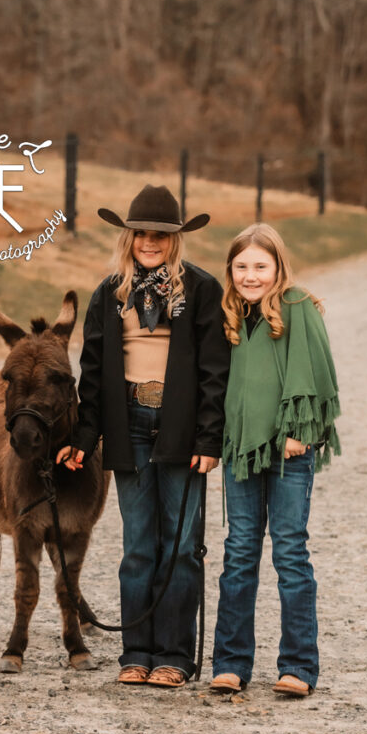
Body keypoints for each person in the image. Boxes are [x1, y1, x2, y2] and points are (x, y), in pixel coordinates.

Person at [57, 185, 230, 688]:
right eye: (141, 234)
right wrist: (85, 438)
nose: (149, 242)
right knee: (138, 545)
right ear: (128, 237)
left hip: (179, 426)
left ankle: (174, 654)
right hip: (128, 424)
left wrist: (208, 439)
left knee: (178, 545)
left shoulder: (199, 290)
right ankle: (137, 651)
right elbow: (93, 375)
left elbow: (215, 371)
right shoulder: (110, 293)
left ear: (175, 240)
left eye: (160, 235)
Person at [211, 224, 340, 698]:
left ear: (277, 267)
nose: (250, 275)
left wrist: (301, 430)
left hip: (290, 452)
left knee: (289, 552)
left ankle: (299, 666)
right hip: (241, 450)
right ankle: (229, 663)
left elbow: (317, 370)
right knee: (239, 553)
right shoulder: (228, 315)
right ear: (231, 270)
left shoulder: (297, 306)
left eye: (260, 266)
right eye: (241, 266)